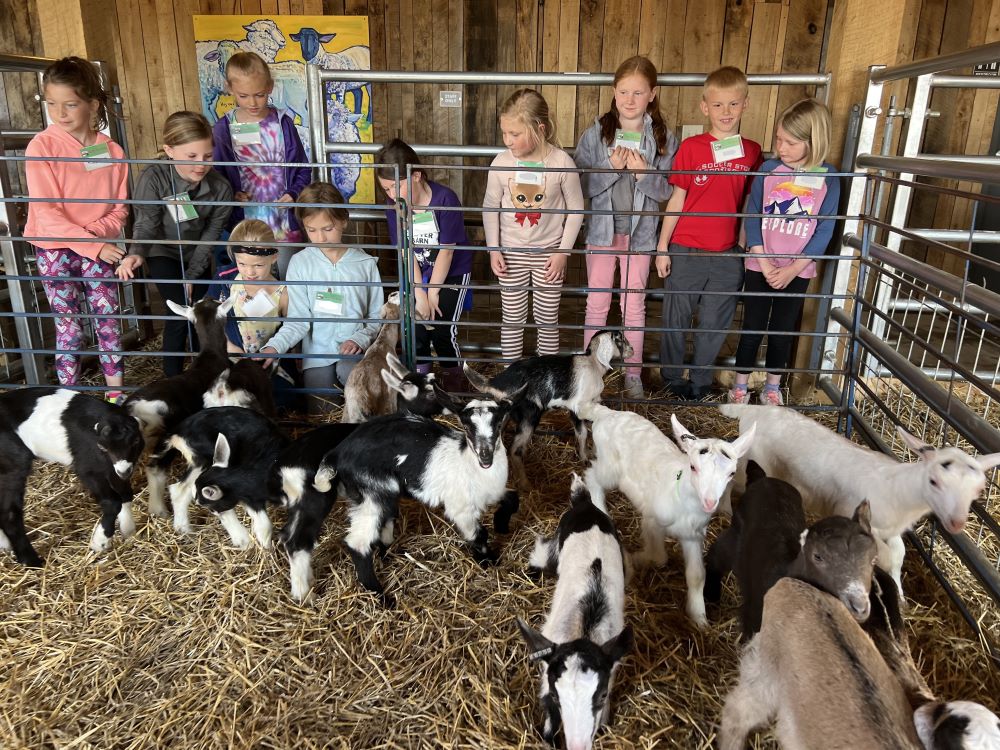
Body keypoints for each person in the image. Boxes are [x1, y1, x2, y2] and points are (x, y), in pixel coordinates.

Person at [25, 56, 129, 402]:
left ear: (92, 104)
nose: (61, 113)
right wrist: (93, 243)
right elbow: (45, 210)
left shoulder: (112, 151)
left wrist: (96, 236)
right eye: (52, 104)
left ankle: (116, 396)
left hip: (99, 245)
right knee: (68, 327)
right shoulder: (42, 146)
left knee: (108, 319)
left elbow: (119, 209)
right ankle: (68, 401)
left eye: (70, 104)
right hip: (54, 248)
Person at [655, 66, 763, 400]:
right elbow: (678, 197)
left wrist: (743, 243)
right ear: (705, 107)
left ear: (745, 104)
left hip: (727, 254)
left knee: (714, 326)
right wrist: (662, 247)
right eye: (718, 105)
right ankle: (672, 383)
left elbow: (750, 200)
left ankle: (700, 386)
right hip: (686, 249)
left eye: (733, 104)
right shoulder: (691, 148)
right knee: (676, 319)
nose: (726, 112)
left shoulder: (752, 151)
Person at [574, 55, 678, 399]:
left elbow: (668, 190)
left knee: (634, 305)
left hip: (641, 236)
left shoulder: (662, 137)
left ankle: (633, 375)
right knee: (597, 303)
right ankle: (592, 373)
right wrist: (609, 166)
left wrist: (643, 174)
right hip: (602, 233)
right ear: (614, 92)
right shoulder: (595, 134)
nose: (630, 100)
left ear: (652, 94)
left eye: (638, 92)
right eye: (623, 92)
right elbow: (581, 186)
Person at [728, 99, 840, 406]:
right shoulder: (768, 169)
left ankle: (773, 388)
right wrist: (763, 262)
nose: (782, 147)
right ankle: (740, 386)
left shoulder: (829, 178)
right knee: (751, 327)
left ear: (813, 141)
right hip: (759, 264)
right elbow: (752, 216)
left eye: (791, 142)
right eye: (779, 139)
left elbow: (824, 230)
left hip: (797, 270)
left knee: (782, 330)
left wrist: (792, 269)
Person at [117, 110, 233, 376]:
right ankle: (172, 379)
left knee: (203, 313)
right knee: (179, 313)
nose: (200, 164)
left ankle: (203, 375)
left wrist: (193, 274)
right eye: (191, 156)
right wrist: (137, 252)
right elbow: (146, 221)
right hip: (162, 252)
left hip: (198, 253)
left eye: (207, 156)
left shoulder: (220, 188)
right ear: (169, 150)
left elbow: (211, 235)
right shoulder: (154, 177)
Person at [257, 182, 382, 415]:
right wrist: (274, 347)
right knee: (321, 414)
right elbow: (298, 320)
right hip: (317, 354)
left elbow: (376, 318)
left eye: (328, 228)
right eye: (311, 230)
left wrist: (359, 339)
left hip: (355, 352)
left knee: (358, 393)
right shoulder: (300, 263)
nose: (320, 237)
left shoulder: (365, 264)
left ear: (344, 220)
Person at [483, 88, 584, 360]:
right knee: (512, 318)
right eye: (504, 133)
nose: (508, 140)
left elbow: (576, 210)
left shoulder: (561, 162)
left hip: (549, 255)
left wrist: (563, 252)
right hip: (511, 254)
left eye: (515, 134)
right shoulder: (501, 163)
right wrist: (494, 249)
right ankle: (511, 378)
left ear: (539, 128)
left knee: (547, 318)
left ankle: (545, 380)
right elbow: (490, 207)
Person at [374, 138, 472, 391]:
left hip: (450, 273)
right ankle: (423, 387)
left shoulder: (445, 199)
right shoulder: (394, 207)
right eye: (386, 190)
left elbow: (447, 252)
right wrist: (419, 291)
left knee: (441, 330)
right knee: (414, 330)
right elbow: (406, 250)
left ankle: (454, 386)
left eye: (397, 187)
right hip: (416, 271)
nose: (393, 195)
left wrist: (433, 292)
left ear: (416, 175)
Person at [211, 51, 311, 279]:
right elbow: (216, 175)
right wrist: (231, 193)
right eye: (243, 96)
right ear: (230, 88)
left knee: (289, 280)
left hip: (283, 223)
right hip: (244, 225)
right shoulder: (224, 127)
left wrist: (294, 193)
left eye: (259, 95)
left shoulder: (283, 123)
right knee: (250, 284)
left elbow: (303, 167)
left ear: (270, 86)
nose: (253, 103)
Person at [206, 219, 300, 410]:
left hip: (268, 363)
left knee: (278, 401)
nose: (250, 272)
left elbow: (292, 330)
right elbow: (209, 315)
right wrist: (229, 345)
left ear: (274, 257)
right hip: (230, 357)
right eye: (242, 263)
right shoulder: (225, 281)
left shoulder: (283, 292)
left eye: (258, 266)